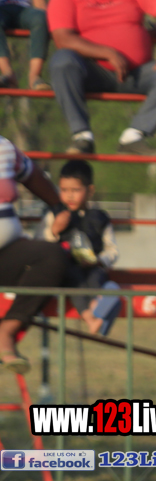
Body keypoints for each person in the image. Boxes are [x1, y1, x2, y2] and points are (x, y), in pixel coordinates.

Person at [46, 0, 156, 156]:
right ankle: (82, 136)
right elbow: (63, 38)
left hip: (136, 73)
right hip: (92, 71)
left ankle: (134, 137)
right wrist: (107, 53)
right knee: (62, 61)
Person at [0, 135, 70, 372]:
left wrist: (59, 206)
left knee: (52, 256)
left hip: (7, 253)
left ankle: (6, 332)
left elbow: (32, 175)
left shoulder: (4, 148)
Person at [39, 160, 120, 336]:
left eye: (75, 190)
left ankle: (98, 306)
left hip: (93, 269)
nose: (69, 196)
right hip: (64, 270)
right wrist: (54, 231)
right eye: (64, 190)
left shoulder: (100, 218)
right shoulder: (54, 214)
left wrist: (99, 261)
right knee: (74, 278)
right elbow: (39, 245)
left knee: (97, 276)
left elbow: (112, 250)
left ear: (90, 190)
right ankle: (91, 317)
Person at [0, 0, 49, 90]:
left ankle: (34, 77)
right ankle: (8, 74)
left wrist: (45, 19)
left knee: (41, 18)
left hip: (23, 9)